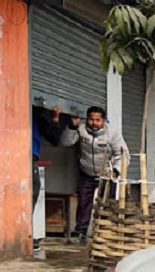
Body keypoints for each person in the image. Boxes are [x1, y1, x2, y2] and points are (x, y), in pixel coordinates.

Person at [55, 106, 129, 241]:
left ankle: (106, 232)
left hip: (106, 174)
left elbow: (123, 154)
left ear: (104, 121)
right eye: (91, 119)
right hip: (86, 172)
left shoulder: (112, 133)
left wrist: (115, 171)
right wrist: (72, 127)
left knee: (107, 204)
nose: (94, 123)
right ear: (86, 119)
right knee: (83, 202)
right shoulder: (81, 128)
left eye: (98, 120)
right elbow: (66, 142)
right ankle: (80, 232)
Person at [32, 107, 63, 250]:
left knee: (32, 194)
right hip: (17, 154)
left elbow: (54, 138)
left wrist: (55, 118)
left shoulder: (37, 116)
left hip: (30, 157)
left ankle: (28, 234)